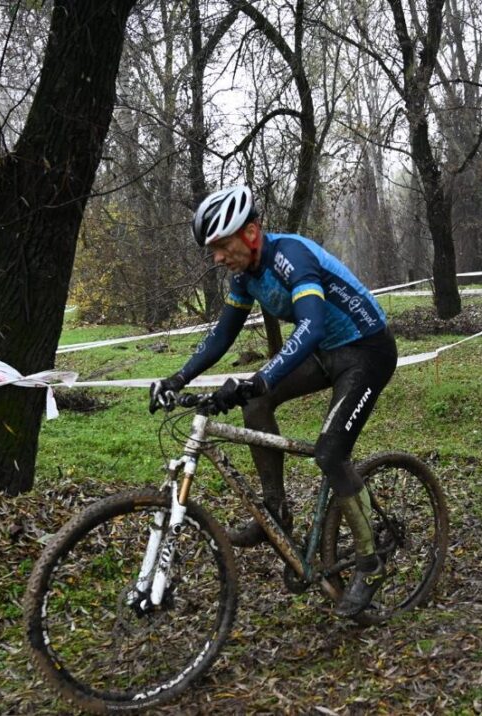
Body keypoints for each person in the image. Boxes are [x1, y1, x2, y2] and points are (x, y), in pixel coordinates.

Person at [149, 185, 398, 617]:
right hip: (327, 353)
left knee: (330, 452)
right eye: (212, 250)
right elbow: (222, 335)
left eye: (221, 247)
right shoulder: (245, 276)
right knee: (255, 406)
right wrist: (177, 377)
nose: (218, 258)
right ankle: (276, 514)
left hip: (367, 351)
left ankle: (370, 562)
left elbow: (311, 327)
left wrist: (262, 377)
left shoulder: (291, 257)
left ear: (249, 233)